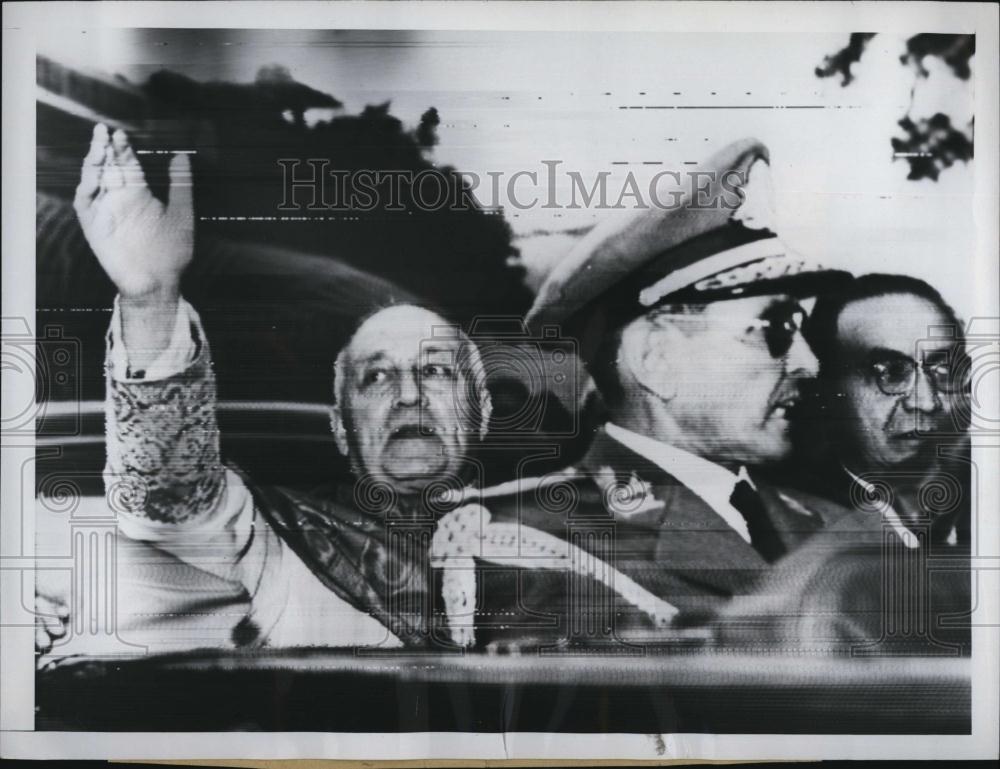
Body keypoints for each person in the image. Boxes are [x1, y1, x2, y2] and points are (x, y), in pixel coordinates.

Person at [40, 123, 490, 657]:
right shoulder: (282, 546)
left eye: (436, 371)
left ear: (482, 409)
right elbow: (174, 492)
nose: (409, 395)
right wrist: (150, 298)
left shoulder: (559, 528)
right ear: (340, 427)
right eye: (376, 376)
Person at [429, 138, 855, 651]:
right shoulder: (527, 539)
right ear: (655, 358)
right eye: (777, 328)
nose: (808, 363)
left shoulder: (835, 524)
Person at [714, 274, 972, 654]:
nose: (926, 401)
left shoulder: (974, 497)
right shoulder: (780, 531)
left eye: (943, 370)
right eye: (889, 372)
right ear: (827, 389)